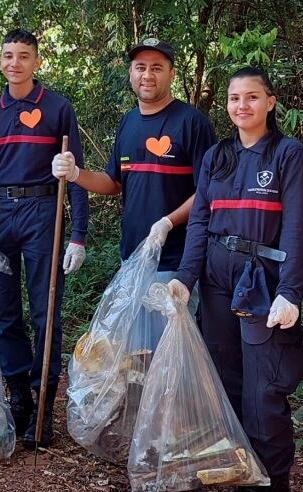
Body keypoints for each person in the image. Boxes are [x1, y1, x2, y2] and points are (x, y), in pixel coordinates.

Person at [167, 67, 303, 492]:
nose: (241, 106)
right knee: (227, 387)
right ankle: (245, 482)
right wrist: (186, 278)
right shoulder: (216, 157)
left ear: (271, 102)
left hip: (265, 286)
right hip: (216, 284)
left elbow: (295, 229)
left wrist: (292, 291)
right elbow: (201, 222)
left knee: (263, 392)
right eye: (233, 98)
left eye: (252, 97)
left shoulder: (289, 155)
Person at [0, 29, 89, 449]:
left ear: (37, 61)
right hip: (0, 213)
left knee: (46, 311)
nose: (14, 62)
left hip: (42, 212)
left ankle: (44, 404)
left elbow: (76, 172)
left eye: (23, 56)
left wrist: (79, 234)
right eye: (7, 55)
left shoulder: (57, 108)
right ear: (0, 62)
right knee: (5, 311)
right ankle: (18, 396)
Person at [51, 38, 216, 305]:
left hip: (177, 264)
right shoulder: (127, 122)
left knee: (170, 347)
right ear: (131, 73)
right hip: (131, 257)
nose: (147, 75)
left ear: (172, 74)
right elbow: (114, 182)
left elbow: (208, 190)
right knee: (136, 347)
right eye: (140, 67)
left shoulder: (192, 122)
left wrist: (168, 222)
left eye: (157, 68)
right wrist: (75, 174)